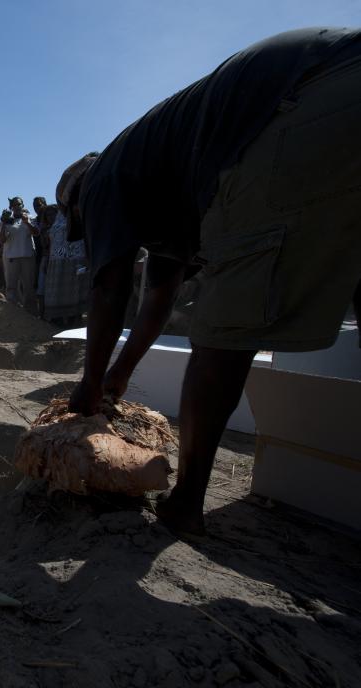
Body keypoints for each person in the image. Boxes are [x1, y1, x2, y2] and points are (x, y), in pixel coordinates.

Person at [62, 28, 361, 537]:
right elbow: (157, 299)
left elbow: (109, 290)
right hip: (338, 74)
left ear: (79, 198)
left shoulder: (104, 178)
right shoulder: (159, 179)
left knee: (222, 330)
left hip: (304, 100)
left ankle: (185, 504)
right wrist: (118, 376)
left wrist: (88, 386)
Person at [41, 207, 88, 325]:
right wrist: (47, 258)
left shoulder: (77, 214)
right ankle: (59, 318)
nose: (51, 216)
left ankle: (75, 318)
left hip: (75, 257)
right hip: (56, 259)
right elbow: (52, 242)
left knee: (74, 289)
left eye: (53, 213)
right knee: (57, 291)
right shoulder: (58, 219)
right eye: (48, 214)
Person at [0, 207, 37, 308]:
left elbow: (36, 233)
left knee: (29, 286)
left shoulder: (30, 217)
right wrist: (3, 222)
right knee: (11, 287)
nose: (17, 207)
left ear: (22, 205)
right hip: (11, 258)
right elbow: (2, 240)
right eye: (14, 205)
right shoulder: (7, 220)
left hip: (27, 256)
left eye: (18, 204)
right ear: (11, 207)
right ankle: (13, 311)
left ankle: (32, 313)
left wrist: (26, 222)